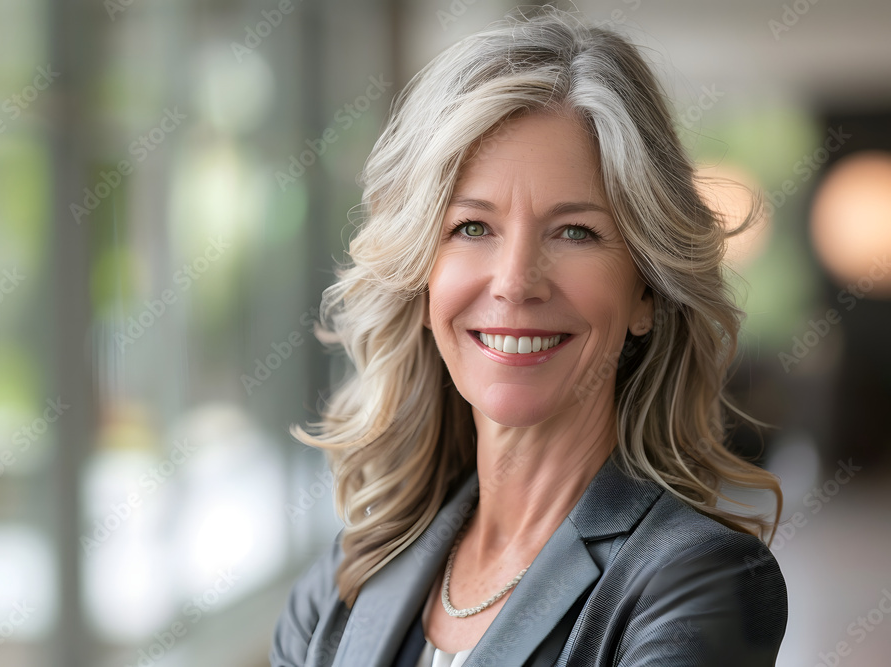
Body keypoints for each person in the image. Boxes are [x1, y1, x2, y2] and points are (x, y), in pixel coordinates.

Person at [271, 6, 787, 666]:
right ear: (422, 277)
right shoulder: (343, 581)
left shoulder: (699, 582)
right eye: (472, 228)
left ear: (646, 292)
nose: (516, 282)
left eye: (575, 231)